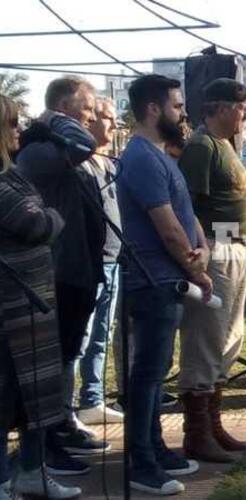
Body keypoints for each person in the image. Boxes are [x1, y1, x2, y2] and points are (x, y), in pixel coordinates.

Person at [118, 74, 208, 495]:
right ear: (152, 109)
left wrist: (202, 245)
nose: (182, 113)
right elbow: (167, 227)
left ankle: (155, 447)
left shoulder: (159, 155)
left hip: (169, 277)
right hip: (153, 278)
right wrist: (197, 270)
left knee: (157, 373)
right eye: (175, 105)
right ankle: (140, 462)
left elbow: (185, 215)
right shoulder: (139, 156)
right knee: (147, 375)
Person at [16, 76, 108, 473]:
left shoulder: (60, 150)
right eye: (85, 112)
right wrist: (52, 119)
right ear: (65, 109)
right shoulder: (40, 150)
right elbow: (87, 143)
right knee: (51, 364)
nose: (89, 121)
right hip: (58, 272)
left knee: (67, 356)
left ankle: (58, 427)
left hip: (78, 269)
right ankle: (42, 446)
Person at [0, 94, 81, 500]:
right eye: (12, 124)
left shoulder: (13, 174)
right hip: (9, 308)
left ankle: (33, 471)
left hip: (35, 306)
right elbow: (35, 222)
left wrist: (45, 215)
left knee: (39, 394)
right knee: (4, 398)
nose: (19, 130)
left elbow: (39, 213)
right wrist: (49, 216)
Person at [178, 78, 246, 463]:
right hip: (216, 249)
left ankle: (213, 425)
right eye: (243, 108)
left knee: (229, 339)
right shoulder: (201, 146)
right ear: (223, 107)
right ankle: (196, 433)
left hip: (236, 248)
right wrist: (201, 251)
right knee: (205, 340)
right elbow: (185, 204)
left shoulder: (225, 145)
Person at [75, 96, 124, 425]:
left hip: (115, 259)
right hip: (89, 264)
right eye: (106, 117)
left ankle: (92, 399)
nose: (113, 124)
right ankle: (67, 411)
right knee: (80, 338)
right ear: (88, 120)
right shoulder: (78, 165)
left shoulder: (110, 164)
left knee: (102, 336)